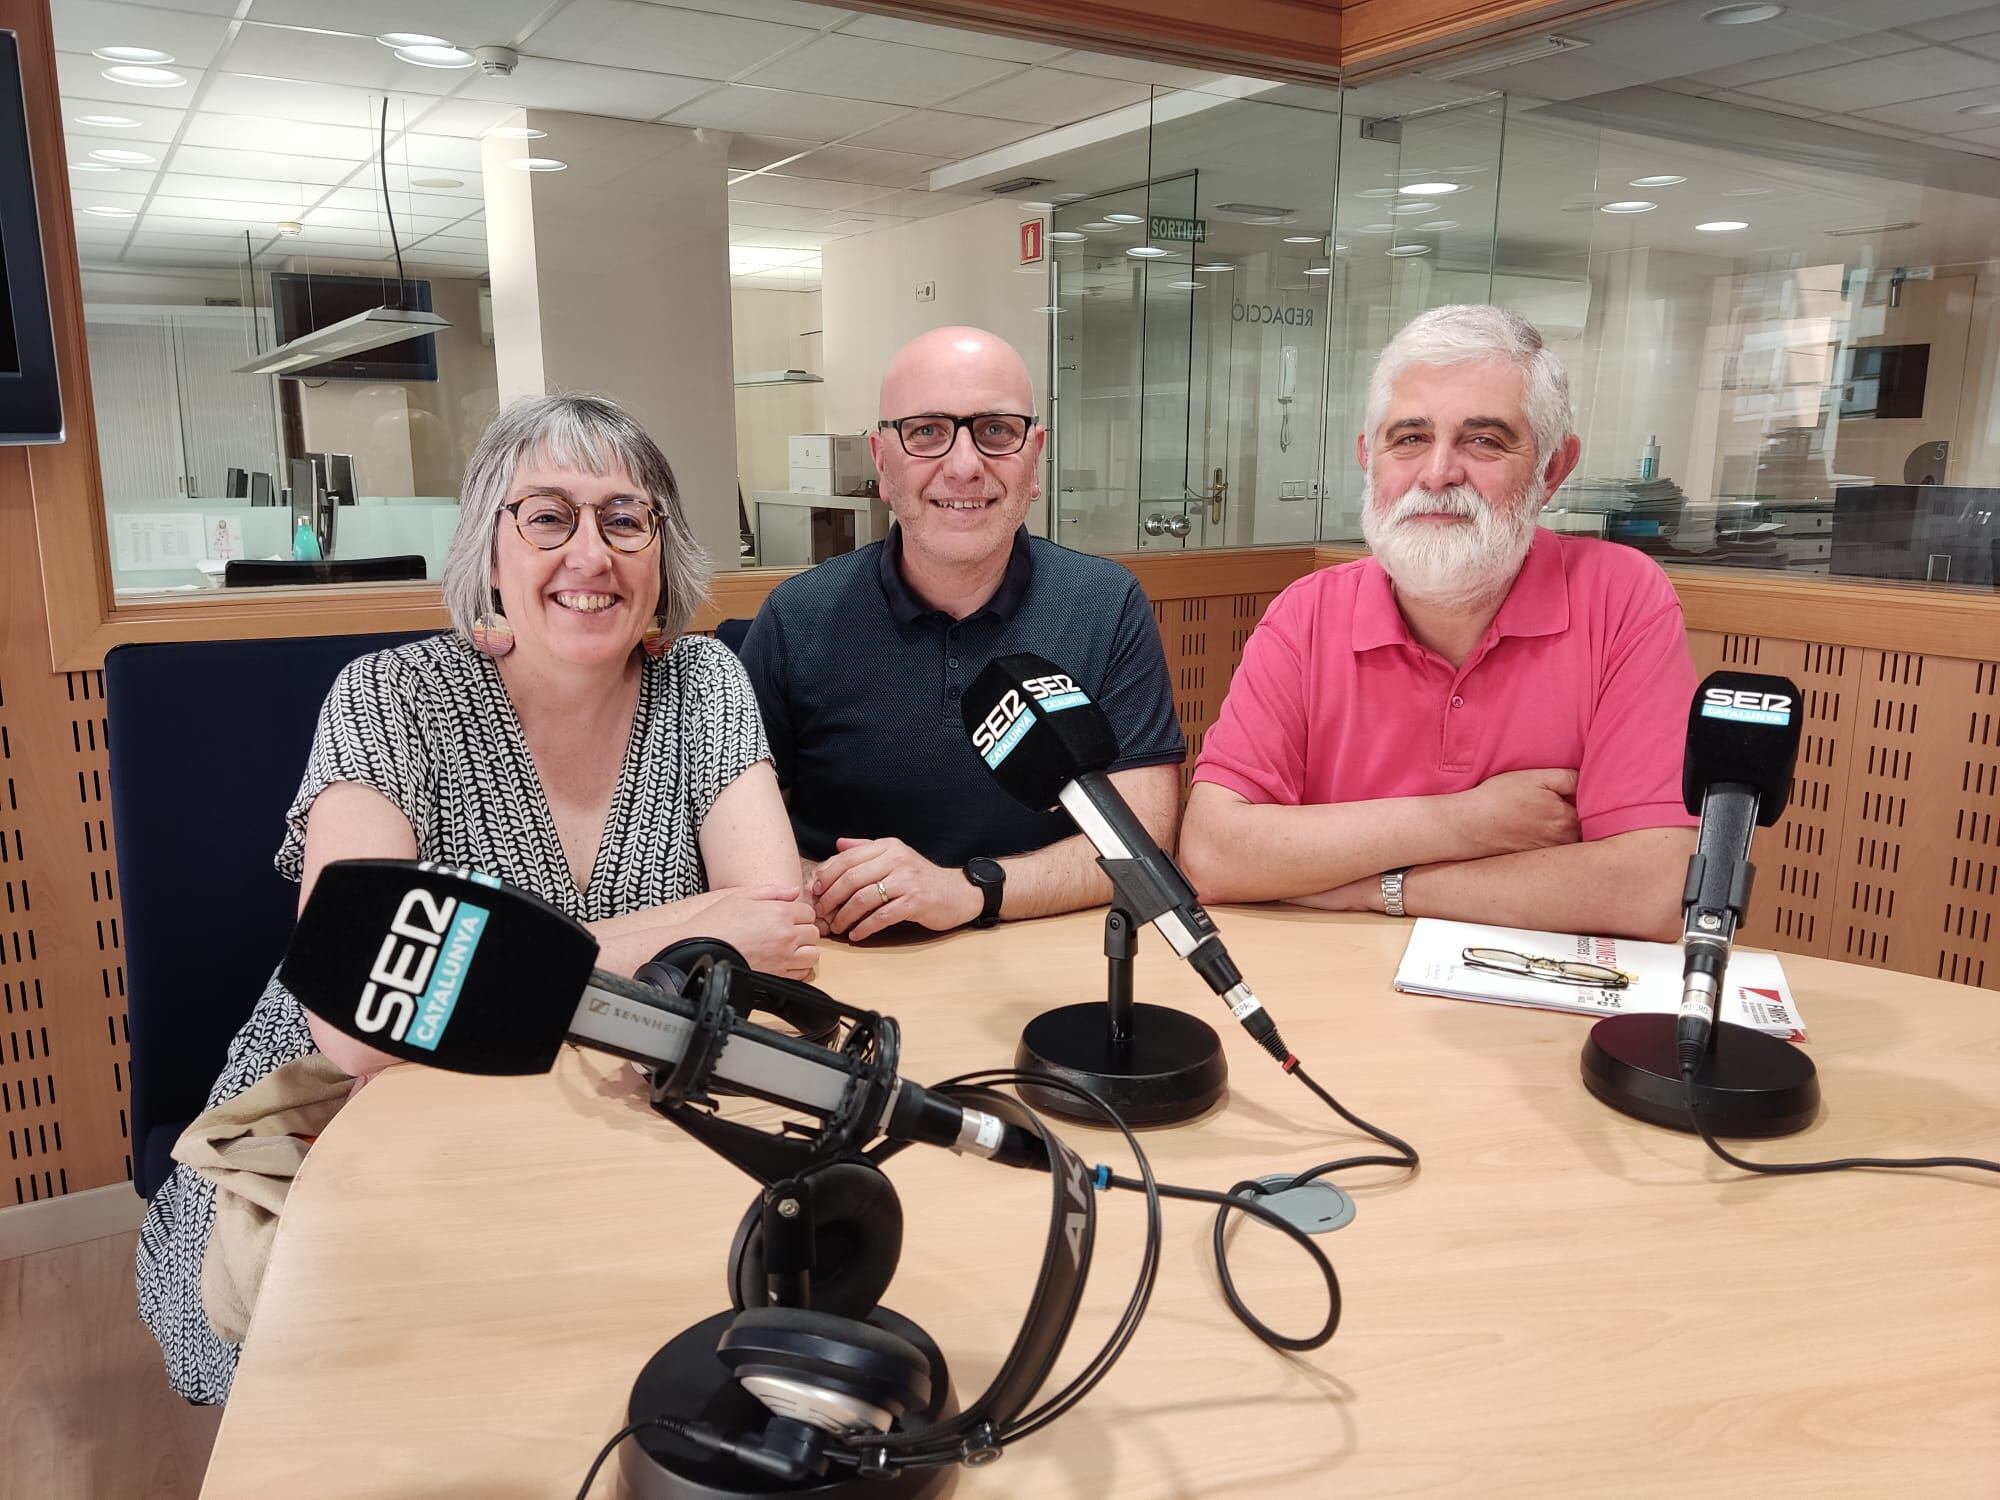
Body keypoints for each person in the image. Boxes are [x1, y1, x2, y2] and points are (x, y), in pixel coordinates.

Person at [137, 394, 817, 1403]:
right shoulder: (391, 697)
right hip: (362, 1134)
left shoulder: (704, 683)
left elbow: (774, 925)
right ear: (488, 549)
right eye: (547, 516)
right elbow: (359, 1020)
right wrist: (684, 927)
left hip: (605, 1114)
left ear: (659, 552)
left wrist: (474, 962)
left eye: (623, 519)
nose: (590, 553)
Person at [1180, 305, 1697, 940]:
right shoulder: (1307, 614)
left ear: (1552, 471)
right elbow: (1214, 854)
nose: (1438, 473)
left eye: (1484, 441)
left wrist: (1383, 889)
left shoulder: (1622, 598)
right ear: (1369, 458)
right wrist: (1466, 822)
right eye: (1410, 438)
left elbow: (1655, 888)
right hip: (1327, 990)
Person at [739, 326, 1185, 940]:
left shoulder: (1107, 606)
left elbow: (1144, 839)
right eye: (926, 432)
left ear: (1036, 457)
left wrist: (967, 890)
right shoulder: (795, 618)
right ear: (880, 461)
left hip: (1047, 962)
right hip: (852, 961)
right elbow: (733, 840)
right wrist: (836, 888)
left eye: (997, 431)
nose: (966, 466)